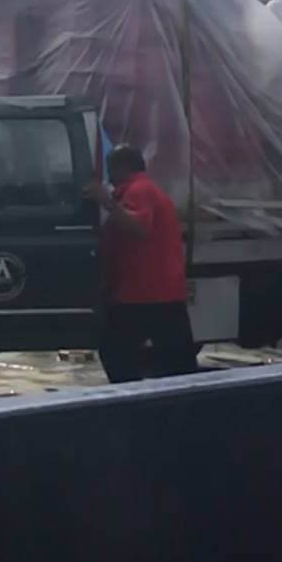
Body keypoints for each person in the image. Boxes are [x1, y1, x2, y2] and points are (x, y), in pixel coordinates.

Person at [85, 145, 198, 383]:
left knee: (116, 352)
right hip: (157, 293)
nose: (109, 176)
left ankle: (135, 404)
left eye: (110, 169)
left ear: (121, 167)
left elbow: (139, 228)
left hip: (143, 295)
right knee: (175, 359)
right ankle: (175, 405)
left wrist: (107, 202)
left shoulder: (139, 191)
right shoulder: (140, 191)